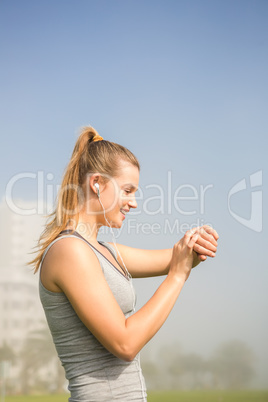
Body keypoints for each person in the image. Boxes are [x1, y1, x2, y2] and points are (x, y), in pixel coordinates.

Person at [31, 126, 218, 401]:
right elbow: (125, 342)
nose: (134, 203)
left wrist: (196, 243)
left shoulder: (106, 252)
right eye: (128, 190)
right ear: (97, 183)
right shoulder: (69, 251)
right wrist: (177, 277)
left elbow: (177, 258)